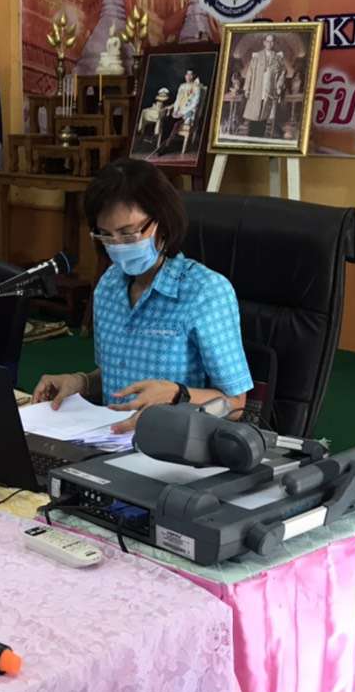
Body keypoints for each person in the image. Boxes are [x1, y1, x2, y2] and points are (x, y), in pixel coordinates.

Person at [32, 158, 251, 431]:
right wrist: (82, 382)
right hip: (109, 437)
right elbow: (115, 376)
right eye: (106, 236)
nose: (118, 246)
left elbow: (235, 404)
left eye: (128, 234)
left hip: (176, 442)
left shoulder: (205, 292)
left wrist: (178, 395)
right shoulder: (108, 286)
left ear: (162, 223)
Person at [242, 34, 283, 137]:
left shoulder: (277, 57)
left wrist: (278, 86)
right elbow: (250, 73)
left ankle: (260, 136)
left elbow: (282, 73)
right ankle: (251, 136)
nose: (269, 43)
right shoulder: (257, 56)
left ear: (274, 43)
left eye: (272, 41)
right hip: (257, 88)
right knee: (255, 112)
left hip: (269, 89)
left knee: (264, 113)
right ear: (264, 42)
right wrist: (247, 88)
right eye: (268, 41)